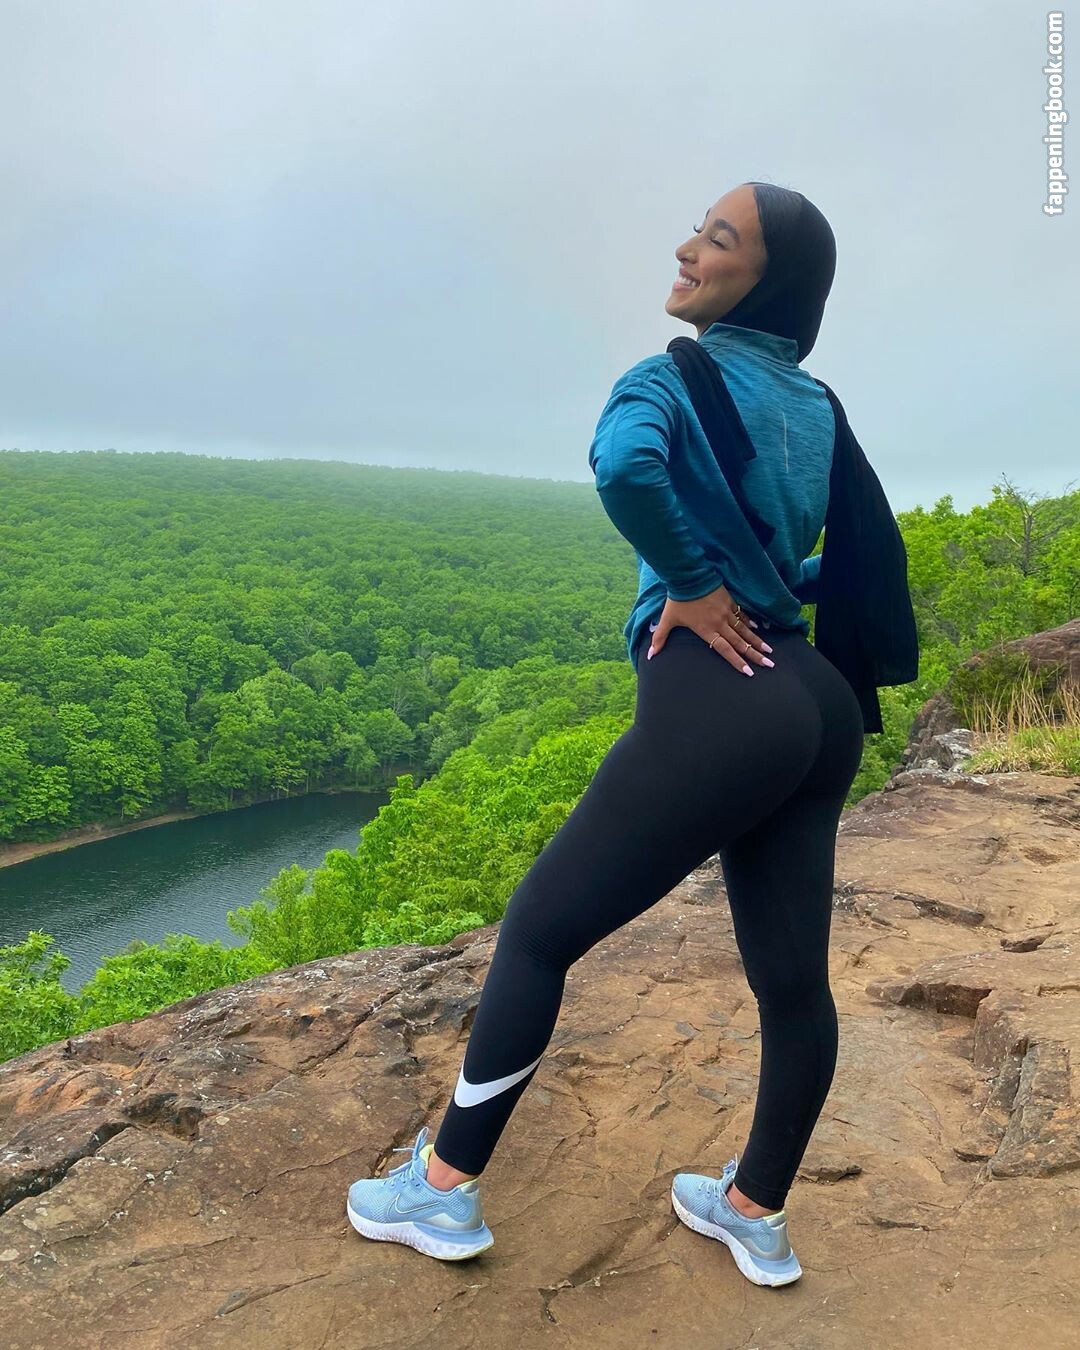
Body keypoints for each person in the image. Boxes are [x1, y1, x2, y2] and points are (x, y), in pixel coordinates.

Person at [346, 181, 865, 1288]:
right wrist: (767, 584)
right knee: (792, 983)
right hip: (813, 700)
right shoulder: (815, 404)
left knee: (538, 934)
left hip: (723, 692)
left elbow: (625, 468)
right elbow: (837, 557)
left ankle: (440, 1189)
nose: (686, 248)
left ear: (763, 278)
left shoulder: (663, 378)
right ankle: (754, 1213)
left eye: (715, 239)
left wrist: (695, 583)